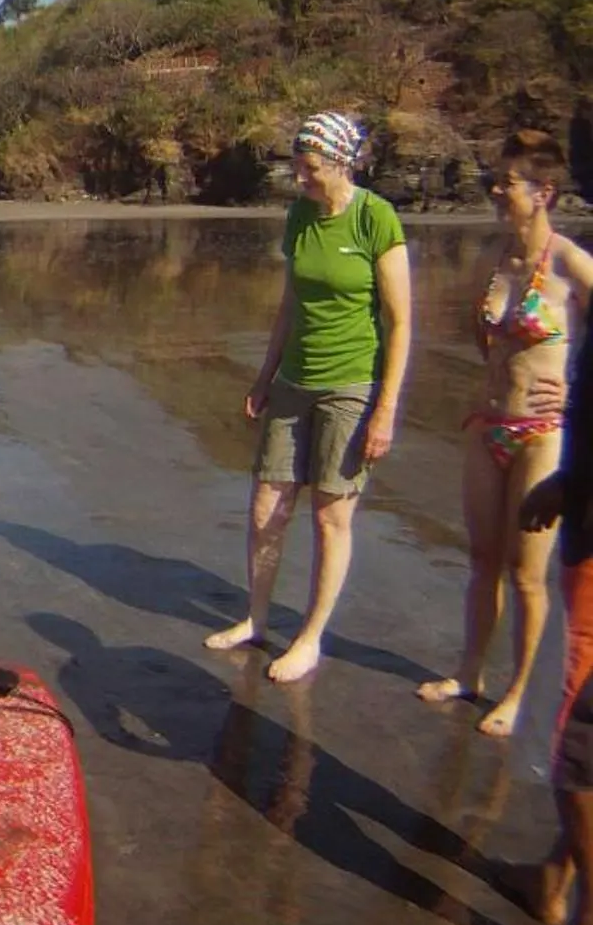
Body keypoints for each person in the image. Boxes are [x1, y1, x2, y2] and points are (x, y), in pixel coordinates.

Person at [205, 110, 411, 683]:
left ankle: (311, 637)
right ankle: (256, 618)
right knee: (266, 508)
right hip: (294, 381)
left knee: (329, 517)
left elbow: (400, 322)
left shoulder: (375, 218)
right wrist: (264, 376)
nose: (300, 177)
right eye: (297, 165)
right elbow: (290, 304)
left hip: (351, 386)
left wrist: (386, 410)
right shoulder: (299, 215)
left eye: (311, 166)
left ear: (342, 163)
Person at [418, 132, 592, 735]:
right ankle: (470, 674)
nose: (496, 191)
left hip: (542, 433)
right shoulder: (491, 260)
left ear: (544, 193)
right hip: (487, 423)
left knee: (525, 572)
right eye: (495, 181)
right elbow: (483, 340)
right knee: (482, 560)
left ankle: (519, 692)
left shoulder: (569, 263)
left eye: (508, 183)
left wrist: (575, 393)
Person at [499, 121, 593, 925]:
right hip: (573, 489)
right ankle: (557, 873)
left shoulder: (574, 262)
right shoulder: (511, 259)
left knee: (578, 728)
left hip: (567, 473)